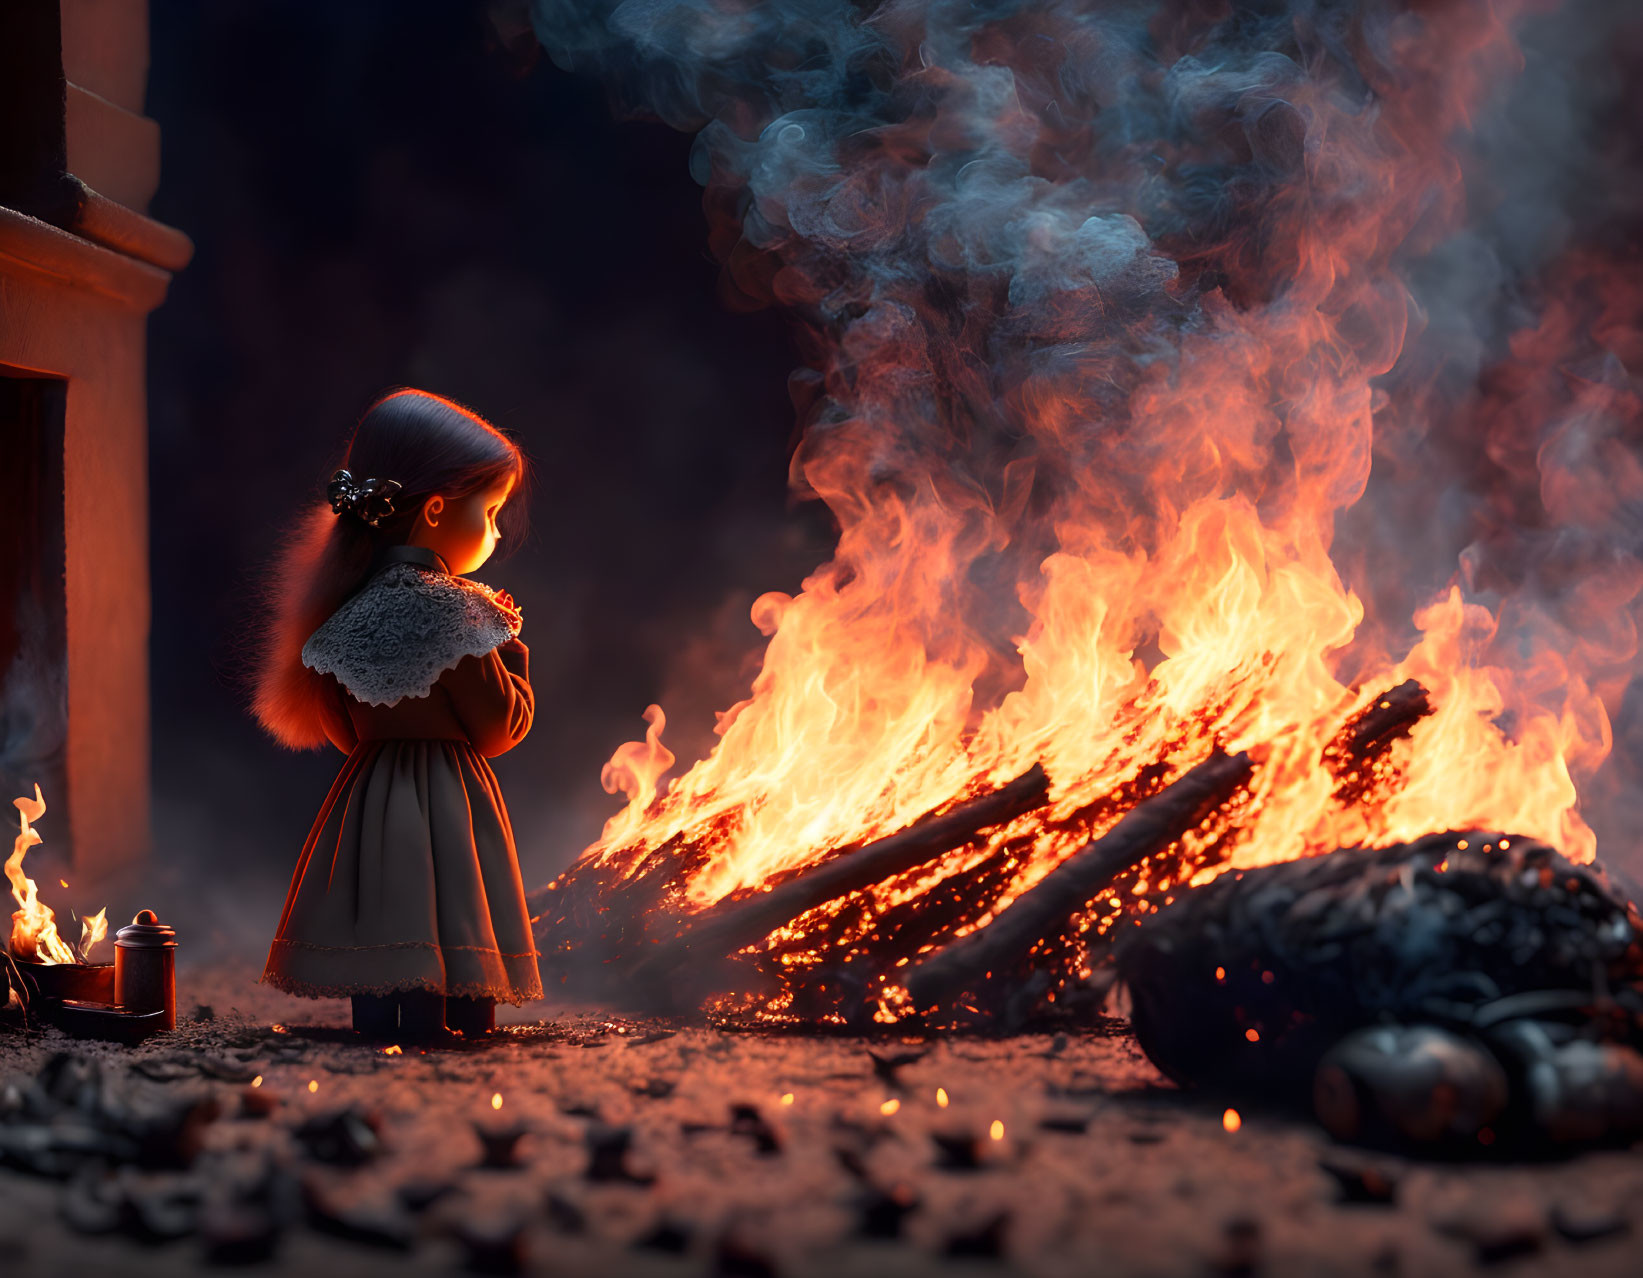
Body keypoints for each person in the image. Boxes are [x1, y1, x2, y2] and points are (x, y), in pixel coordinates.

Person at [252, 388, 541, 1039]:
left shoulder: (341, 615)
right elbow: (498, 730)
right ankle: (465, 1010)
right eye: (490, 510)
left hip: (369, 795)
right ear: (437, 508)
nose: (496, 531)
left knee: (384, 903)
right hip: (449, 794)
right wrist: (512, 652)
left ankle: (379, 1015)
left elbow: (340, 729)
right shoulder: (464, 614)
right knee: (455, 899)